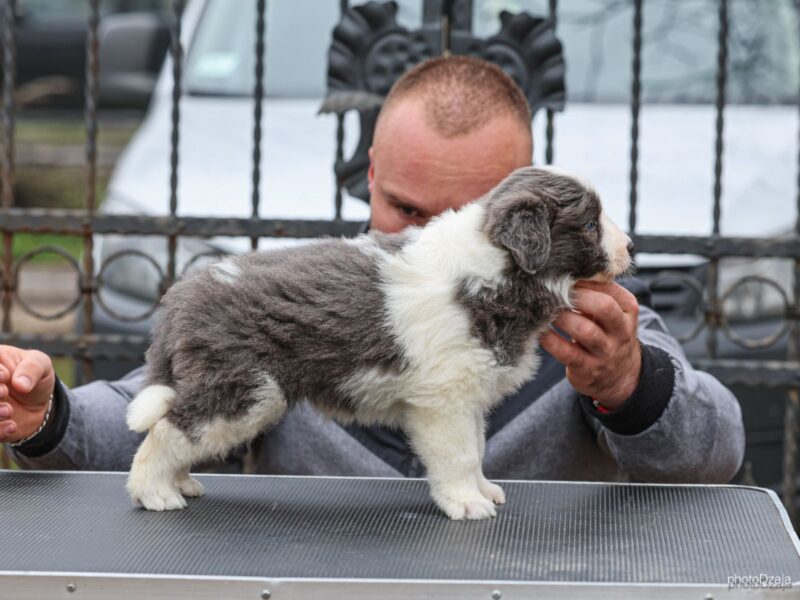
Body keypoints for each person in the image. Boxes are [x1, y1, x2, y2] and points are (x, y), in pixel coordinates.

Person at [0, 56, 744, 482]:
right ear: (372, 175)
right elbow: (157, 402)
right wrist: (48, 415)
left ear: (523, 215)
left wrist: (629, 383)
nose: (433, 235)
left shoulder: (589, 316)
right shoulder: (303, 294)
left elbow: (716, 451)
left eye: (464, 215)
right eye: (407, 208)